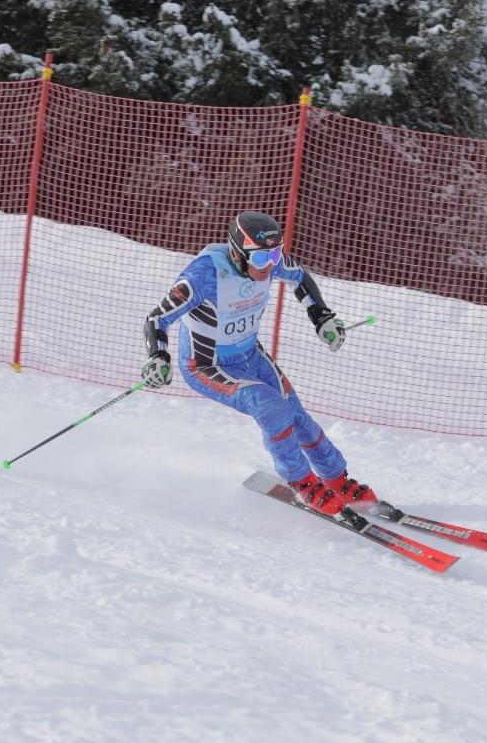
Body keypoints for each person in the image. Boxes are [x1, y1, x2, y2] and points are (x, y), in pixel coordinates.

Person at [141, 210, 376, 517]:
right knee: (270, 406)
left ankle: (336, 479)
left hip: (250, 355)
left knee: (295, 413)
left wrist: (321, 317)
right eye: (261, 259)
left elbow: (300, 276)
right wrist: (159, 357)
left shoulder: (269, 262)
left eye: (275, 255)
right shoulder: (202, 277)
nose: (269, 266)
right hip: (207, 365)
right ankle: (302, 482)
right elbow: (157, 317)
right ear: (238, 253)